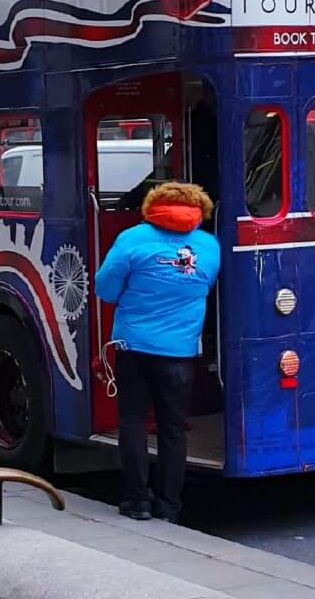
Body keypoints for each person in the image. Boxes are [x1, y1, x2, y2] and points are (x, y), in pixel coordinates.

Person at [93, 181, 220, 523]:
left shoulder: (132, 239)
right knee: (173, 428)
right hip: (180, 354)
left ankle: (137, 501)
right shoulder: (209, 246)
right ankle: (169, 506)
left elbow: (104, 289)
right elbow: (204, 285)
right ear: (200, 208)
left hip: (134, 349)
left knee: (133, 423)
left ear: (152, 206)